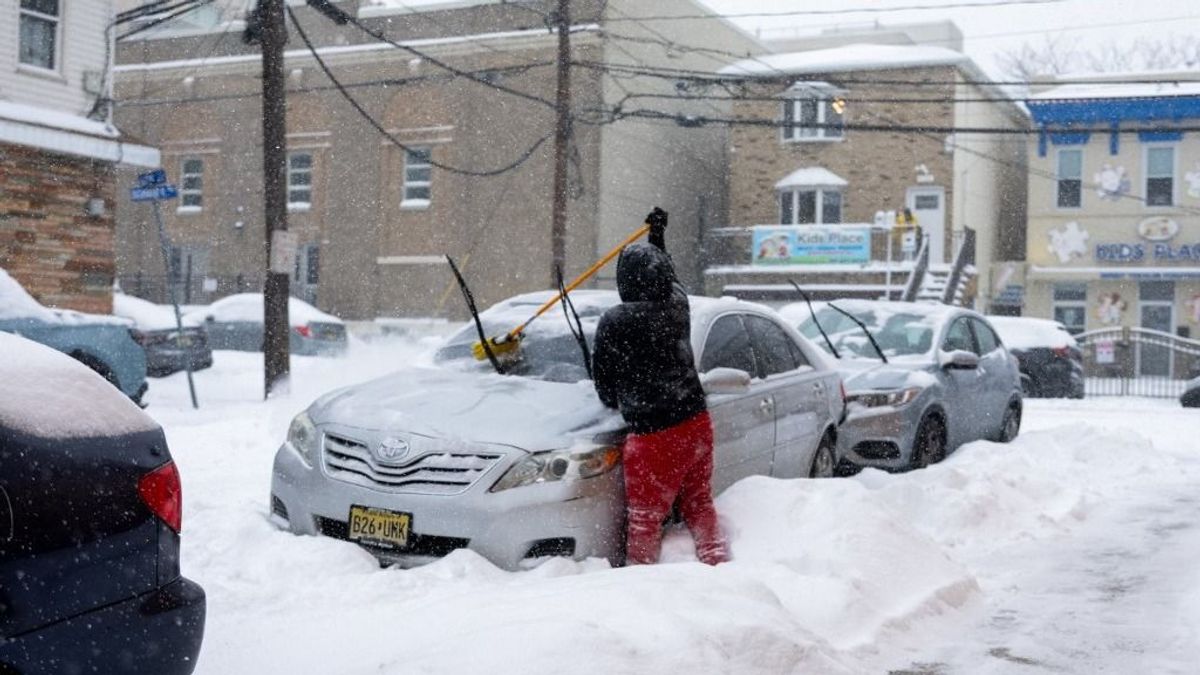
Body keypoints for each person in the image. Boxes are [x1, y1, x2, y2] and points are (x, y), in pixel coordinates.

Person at [591, 207, 729, 566]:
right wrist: (656, 236)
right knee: (698, 500)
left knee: (645, 518)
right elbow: (667, 276)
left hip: (654, 436)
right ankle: (717, 561)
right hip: (696, 424)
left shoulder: (616, 321)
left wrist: (615, 394)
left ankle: (643, 582)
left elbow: (605, 388)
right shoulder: (678, 304)